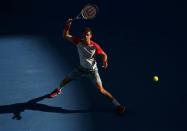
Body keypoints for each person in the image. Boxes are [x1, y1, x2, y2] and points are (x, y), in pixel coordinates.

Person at [49, 19, 125, 114]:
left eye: (87, 35)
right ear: (82, 35)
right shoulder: (78, 41)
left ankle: (118, 105)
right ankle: (58, 90)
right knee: (65, 80)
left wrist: (105, 61)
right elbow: (65, 35)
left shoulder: (95, 46)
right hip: (80, 69)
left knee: (101, 90)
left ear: (91, 36)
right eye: (84, 34)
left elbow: (104, 54)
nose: (85, 36)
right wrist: (67, 26)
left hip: (92, 72)